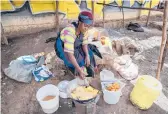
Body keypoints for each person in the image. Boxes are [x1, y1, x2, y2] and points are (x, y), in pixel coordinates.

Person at [54, 11, 102, 80]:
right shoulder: (69, 33)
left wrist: (87, 55)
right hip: (62, 46)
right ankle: (72, 69)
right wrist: (79, 69)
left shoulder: (85, 29)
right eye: (85, 25)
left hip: (75, 44)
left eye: (88, 26)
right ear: (79, 22)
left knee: (90, 53)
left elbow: (84, 43)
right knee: (77, 62)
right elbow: (70, 54)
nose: (86, 28)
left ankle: (92, 68)